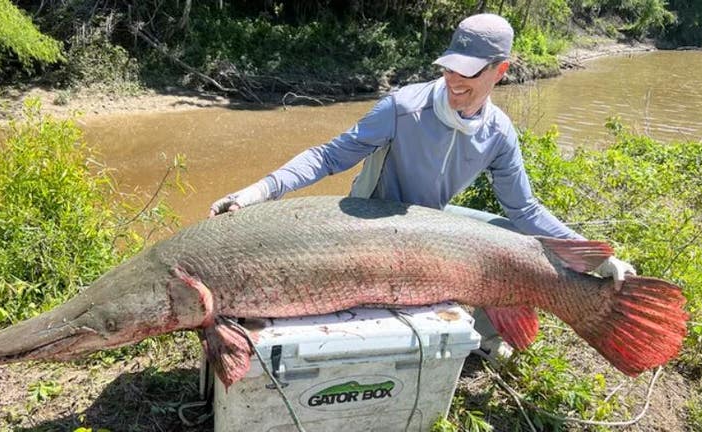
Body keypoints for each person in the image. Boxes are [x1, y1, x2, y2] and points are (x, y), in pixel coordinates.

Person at [209, 13, 636, 359]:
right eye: (450, 67)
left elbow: (525, 210)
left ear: (500, 71)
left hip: (431, 226)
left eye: (468, 72)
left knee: (513, 239)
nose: (454, 80)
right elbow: (328, 156)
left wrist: (596, 258)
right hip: (368, 221)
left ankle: (486, 341)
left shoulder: (499, 133)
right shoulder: (402, 107)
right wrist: (259, 191)